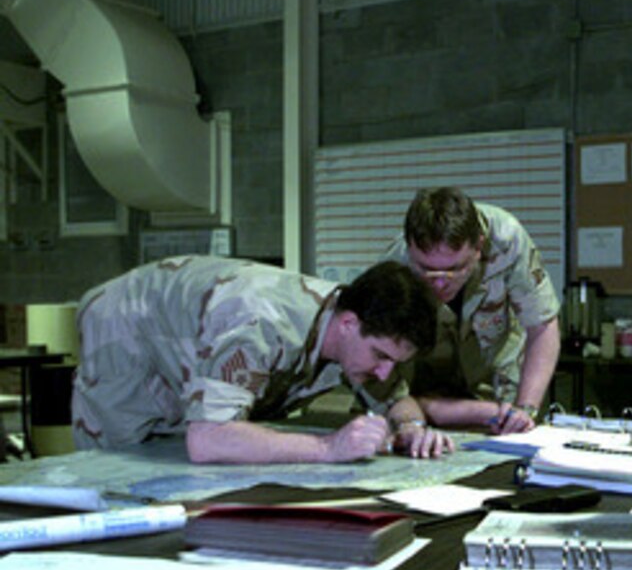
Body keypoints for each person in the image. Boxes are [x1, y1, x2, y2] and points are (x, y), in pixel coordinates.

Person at [72, 256, 454, 463]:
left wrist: (412, 430)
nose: (385, 371)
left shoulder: (360, 330)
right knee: (118, 470)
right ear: (348, 324)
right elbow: (207, 441)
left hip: (197, 335)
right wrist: (328, 448)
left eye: (395, 362)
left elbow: (396, 400)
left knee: (195, 450)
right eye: (382, 357)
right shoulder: (259, 323)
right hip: (128, 326)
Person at [378, 187, 561, 434]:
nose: (440, 283)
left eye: (455, 268)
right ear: (410, 248)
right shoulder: (393, 265)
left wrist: (525, 408)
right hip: (425, 388)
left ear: (479, 247)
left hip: (495, 383)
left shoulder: (507, 240)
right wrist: (411, 413)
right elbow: (377, 363)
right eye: (426, 269)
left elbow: (543, 326)